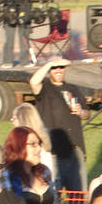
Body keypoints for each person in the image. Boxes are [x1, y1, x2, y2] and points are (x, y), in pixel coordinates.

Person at [30, 59, 88, 191]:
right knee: (52, 196)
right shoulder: (44, 89)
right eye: (55, 68)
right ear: (49, 70)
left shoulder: (73, 89)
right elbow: (33, 82)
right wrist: (50, 63)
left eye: (61, 67)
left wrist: (81, 111)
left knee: (79, 199)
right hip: (53, 152)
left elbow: (87, 114)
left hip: (75, 150)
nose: (58, 70)